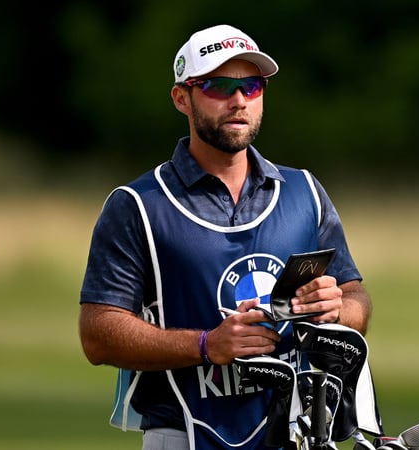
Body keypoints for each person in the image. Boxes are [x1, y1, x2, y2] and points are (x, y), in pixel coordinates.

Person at [78, 24, 372, 450]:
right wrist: (206, 344)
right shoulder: (138, 204)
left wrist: (336, 311)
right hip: (183, 433)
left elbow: (356, 299)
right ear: (183, 97)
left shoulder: (304, 192)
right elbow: (97, 335)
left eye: (252, 86)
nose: (239, 100)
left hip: (295, 431)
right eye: (218, 86)